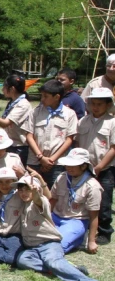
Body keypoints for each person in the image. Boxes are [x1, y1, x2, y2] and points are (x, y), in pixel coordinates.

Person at [14, 174, 111, 281]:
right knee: (22, 260)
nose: (24, 193)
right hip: (32, 247)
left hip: (48, 244)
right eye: (21, 190)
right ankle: (69, 268)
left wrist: (36, 193)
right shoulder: (22, 204)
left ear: (36, 189)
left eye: (27, 189)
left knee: (53, 262)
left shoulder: (40, 202)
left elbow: (38, 200)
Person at [76, 87, 115, 245]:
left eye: (99, 104)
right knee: (85, 198)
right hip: (85, 168)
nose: (95, 107)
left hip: (105, 169)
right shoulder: (83, 121)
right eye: (93, 103)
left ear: (108, 105)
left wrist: (99, 167)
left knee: (104, 201)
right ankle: (86, 228)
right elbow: (78, 143)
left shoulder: (112, 122)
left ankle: (104, 230)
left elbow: (113, 148)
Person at [26, 79, 78, 187]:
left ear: (57, 97)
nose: (42, 99)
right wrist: (41, 157)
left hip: (57, 163)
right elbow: (29, 136)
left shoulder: (69, 114)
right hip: (35, 161)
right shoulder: (35, 112)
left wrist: (51, 160)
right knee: (32, 191)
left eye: (46, 96)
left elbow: (69, 139)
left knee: (55, 194)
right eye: (42, 96)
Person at [50, 148, 102, 254]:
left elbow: (94, 216)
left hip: (75, 221)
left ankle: (81, 238)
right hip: (55, 217)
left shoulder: (93, 186)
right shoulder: (62, 177)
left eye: (73, 165)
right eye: (68, 164)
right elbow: (52, 200)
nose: (68, 168)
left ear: (83, 166)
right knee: (34, 237)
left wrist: (92, 241)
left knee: (57, 246)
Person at [0, 75, 32, 165]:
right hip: (10, 143)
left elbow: (5, 123)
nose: (2, 90)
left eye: (4, 87)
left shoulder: (23, 105)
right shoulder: (13, 102)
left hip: (18, 146)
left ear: (12, 89)